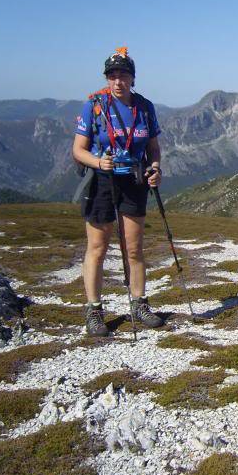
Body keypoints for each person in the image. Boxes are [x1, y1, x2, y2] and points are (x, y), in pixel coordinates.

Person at [72, 47, 164, 336]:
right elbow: (77, 150)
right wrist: (99, 162)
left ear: (133, 78)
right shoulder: (94, 106)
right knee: (98, 248)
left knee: (134, 248)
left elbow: (153, 148)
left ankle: (139, 303)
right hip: (101, 180)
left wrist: (156, 169)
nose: (117, 81)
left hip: (134, 180)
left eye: (123, 75)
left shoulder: (145, 107)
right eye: (112, 75)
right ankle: (94, 309)